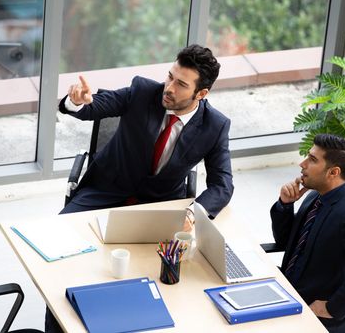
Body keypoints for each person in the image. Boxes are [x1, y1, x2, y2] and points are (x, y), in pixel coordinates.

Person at [45, 44, 234, 332]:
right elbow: (97, 105)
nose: (168, 87)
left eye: (181, 84)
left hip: (156, 208)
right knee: (59, 256)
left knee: (152, 278)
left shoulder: (215, 126)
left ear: (201, 94)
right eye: (169, 76)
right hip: (104, 192)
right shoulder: (143, 91)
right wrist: (78, 102)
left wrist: (194, 212)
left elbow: (223, 184)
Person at [270, 134, 345, 333]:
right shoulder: (315, 196)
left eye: (312, 160)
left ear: (333, 172)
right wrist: (285, 205)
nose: (302, 164)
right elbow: (286, 242)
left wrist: (333, 307)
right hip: (287, 289)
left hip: (312, 309)